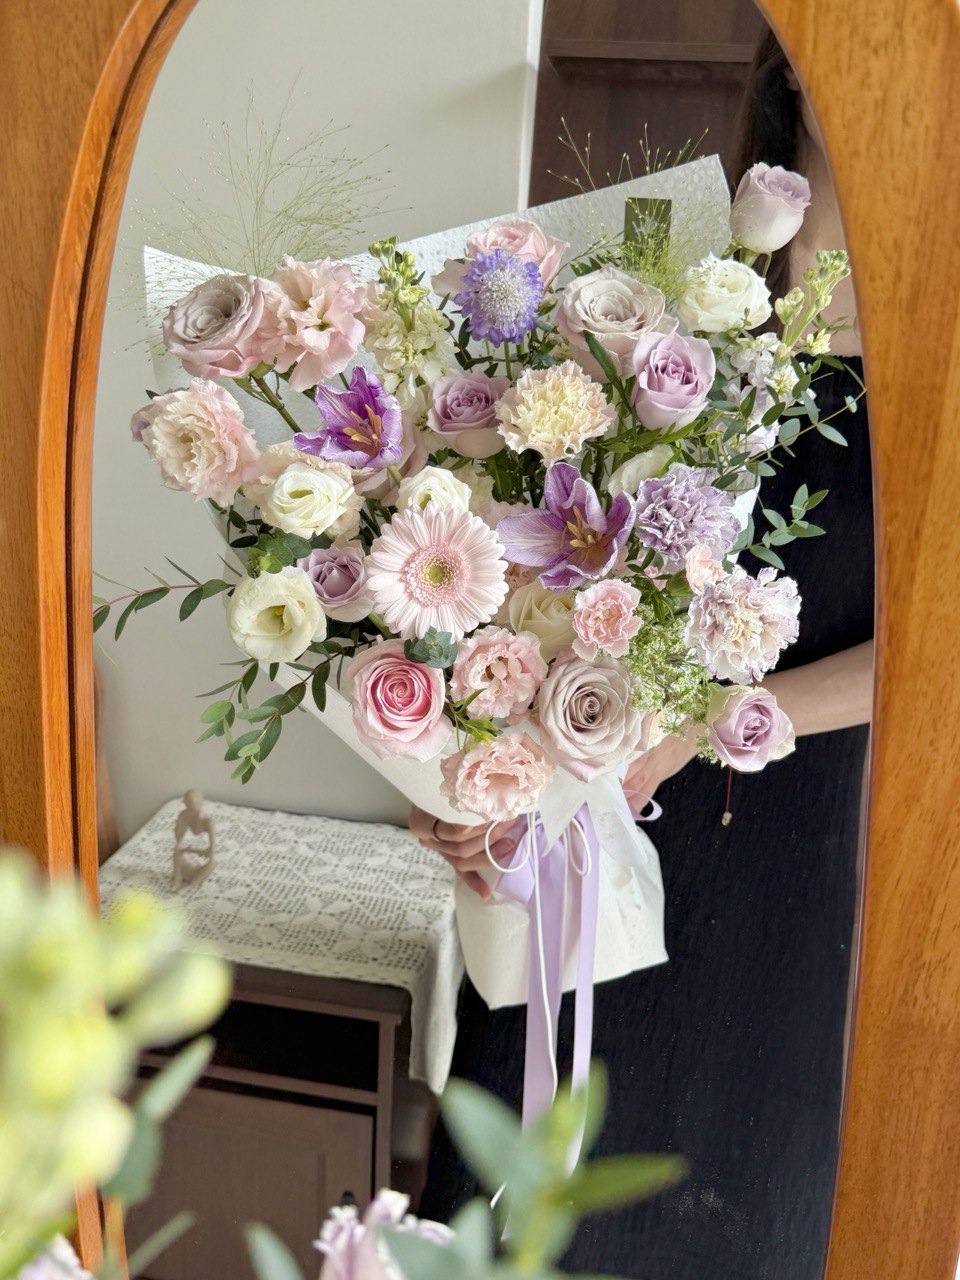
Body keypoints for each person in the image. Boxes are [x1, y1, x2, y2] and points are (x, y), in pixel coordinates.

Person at [412, 26, 874, 1279]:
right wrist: (466, 772)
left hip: (813, 847)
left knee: (737, 1187)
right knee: (520, 1200)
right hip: (589, 818)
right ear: (791, 66)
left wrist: (701, 724)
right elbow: (522, 563)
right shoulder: (655, 283)